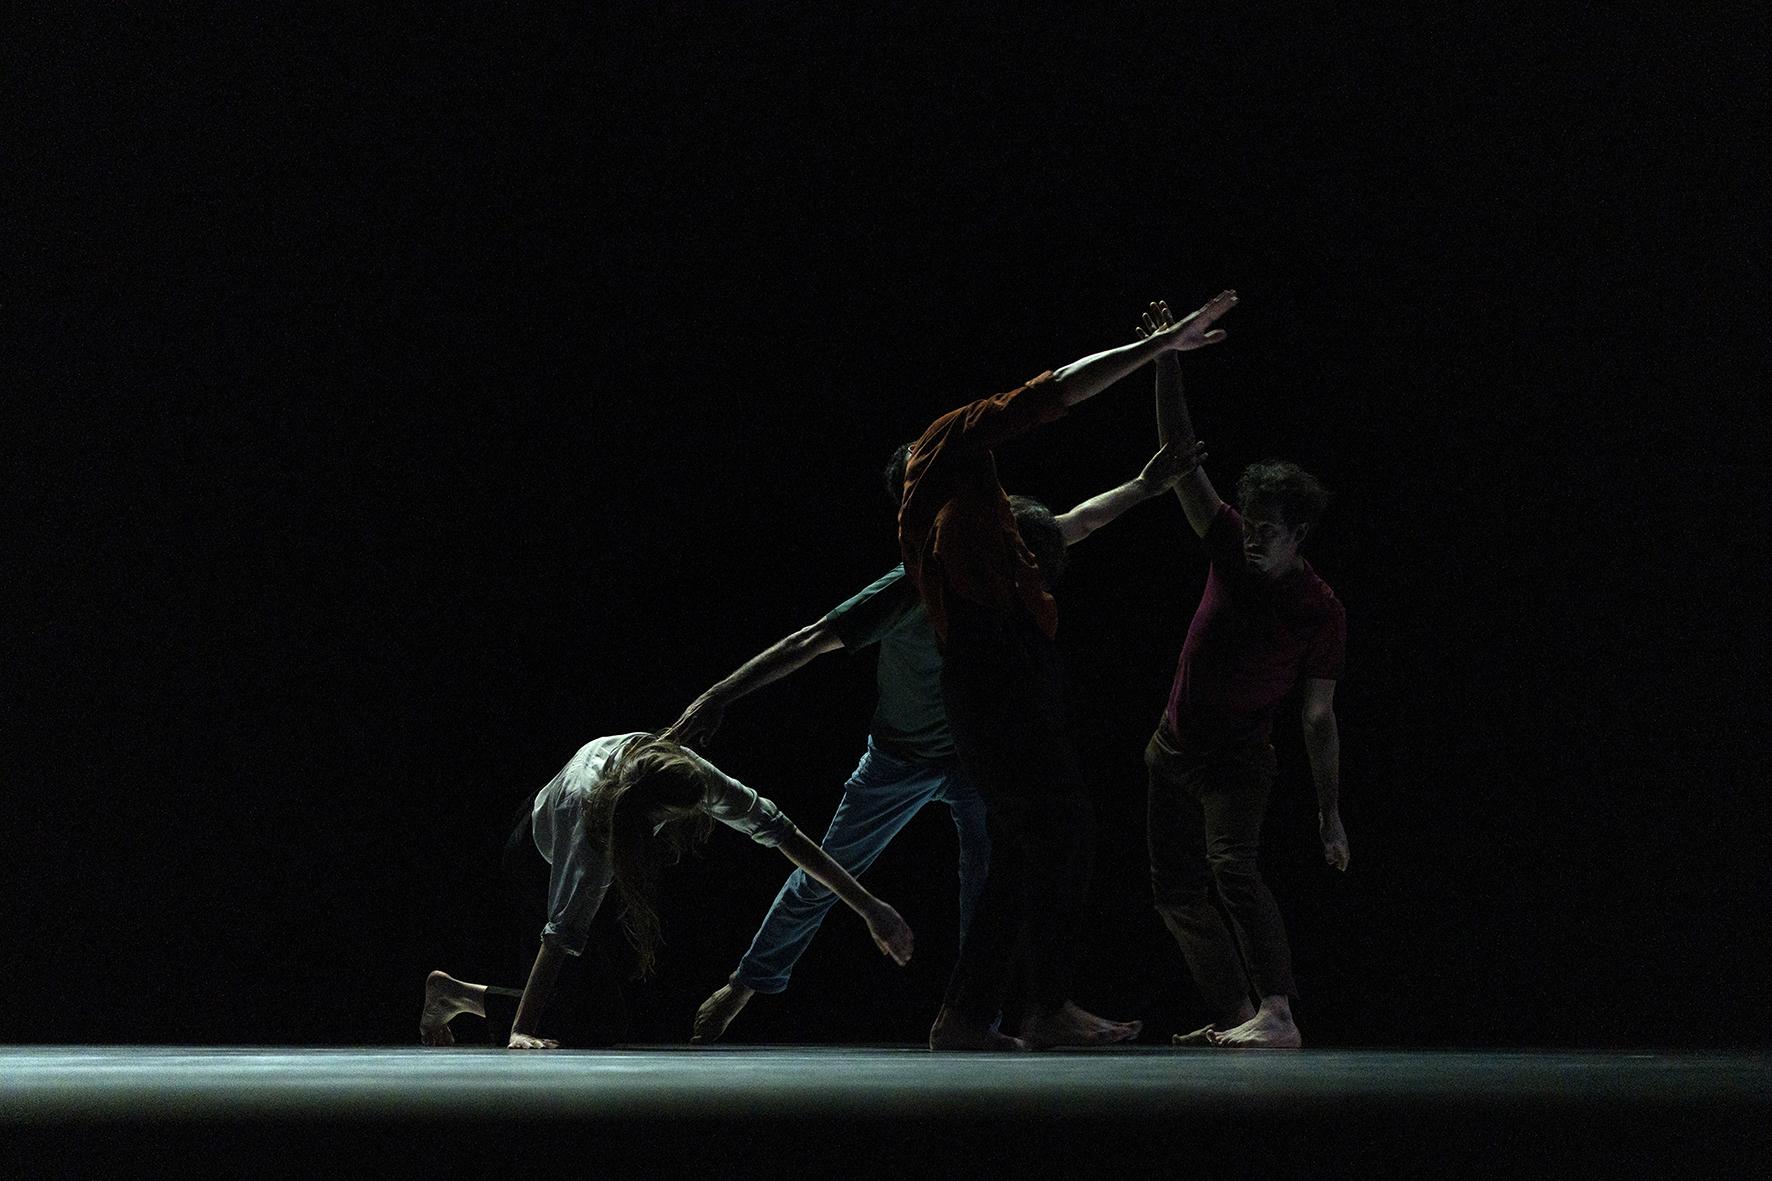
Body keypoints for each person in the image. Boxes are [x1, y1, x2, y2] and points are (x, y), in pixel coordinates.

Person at [680, 445, 1201, 1044]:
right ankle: (746, 983)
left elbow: (1074, 524)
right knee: (829, 870)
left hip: (971, 756)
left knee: (995, 879)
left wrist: (1143, 484)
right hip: (899, 756)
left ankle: (982, 1019)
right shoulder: (912, 585)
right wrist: (718, 696)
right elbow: (810, 641)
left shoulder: (999, 550)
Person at [899, 290, 1241, 1050]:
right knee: (1061, 829)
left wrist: (1147, 485)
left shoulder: (982, 509)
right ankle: (1042, 1005)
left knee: (1039, 840)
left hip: (1010, 673)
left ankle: (967, 1014)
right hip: (994, 676)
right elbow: (1058, 392)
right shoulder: (948, 448)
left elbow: (1067, 525)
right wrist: (1157, 351)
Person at [1134, 299, 1349, 1051]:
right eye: (1249, 520)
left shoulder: (1319, 608)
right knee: (1174, 892)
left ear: (1299, 535)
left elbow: (1318, 716)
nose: (1253, 535)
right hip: (1172, 745)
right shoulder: (1228, 542)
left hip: (1237, 760)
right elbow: (1182, 456)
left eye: (1268, 529)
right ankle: (1234, 1016)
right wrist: (1165, 357)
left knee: (1232, 867)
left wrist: (1328, 810)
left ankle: (1279, 1012)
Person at [419, 731, 913, 1049]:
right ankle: (454, 995)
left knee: (597, 1018)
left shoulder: (687, 772)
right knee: (589, 1024)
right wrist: (519, 1030)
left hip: (584, 825)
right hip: (534, 855)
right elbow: (560, 935)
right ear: (650, 817)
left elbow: (784, 835)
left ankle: (461, 997)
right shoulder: (592, 835)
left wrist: (869, 907)